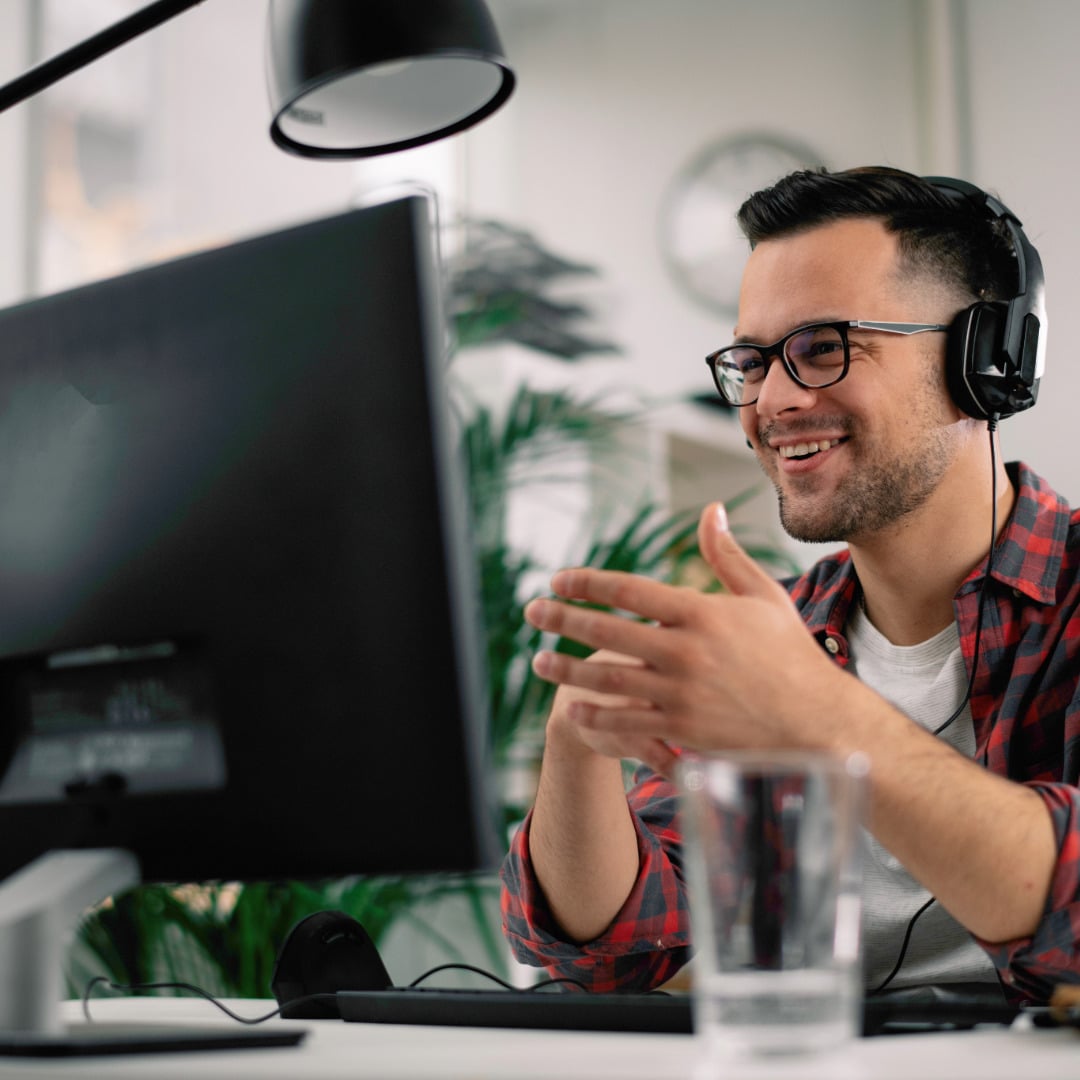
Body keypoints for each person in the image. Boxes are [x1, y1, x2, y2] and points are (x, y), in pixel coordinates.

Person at [499, 165, 1080, 1005]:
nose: (769, 401)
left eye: (820, 348)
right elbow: (614, 954)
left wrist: (813, 709)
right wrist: (578, 733)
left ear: (985, 363)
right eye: (751, 359)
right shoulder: (774, 631)